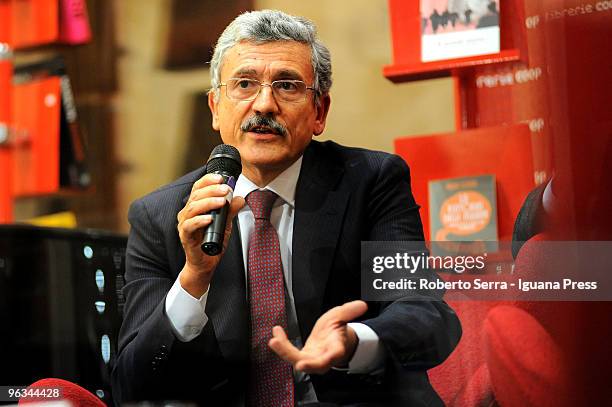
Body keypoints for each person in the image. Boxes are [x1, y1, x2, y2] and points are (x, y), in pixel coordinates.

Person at [112, 9, 461, 406]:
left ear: (319, 112)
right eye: (244, 84)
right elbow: (131, 384)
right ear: (215, 108)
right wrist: (194, 277)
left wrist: (352, 341)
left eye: (288, 86)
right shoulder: (161, 215)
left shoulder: (372, 182)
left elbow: (427, 316)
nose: (264, 105)